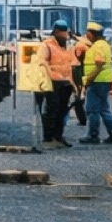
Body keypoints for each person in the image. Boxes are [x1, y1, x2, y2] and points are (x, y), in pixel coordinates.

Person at [40, 20, 79, 148]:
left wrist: (75, 85)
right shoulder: (47, 45)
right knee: (52, 110)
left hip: (66, 83)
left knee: (63, 111)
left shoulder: (68, 46)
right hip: (53, 82)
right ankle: (48, 138)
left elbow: (71, 65)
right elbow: (43, 63)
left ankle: (58, 136)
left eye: (66, 32)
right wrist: (50, 77)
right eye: (63, 32)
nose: (65, 35)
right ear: (56, 32)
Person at [79, 22, 112, 144]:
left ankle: (93, 135)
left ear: (93, 33)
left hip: (97, 81)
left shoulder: (98, 46)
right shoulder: (102, 44)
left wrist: (90, 77)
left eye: (88, 33)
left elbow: (99, 63)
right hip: (103, 81)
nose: (87, 35)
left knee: (92, 109)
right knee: (103, 109)